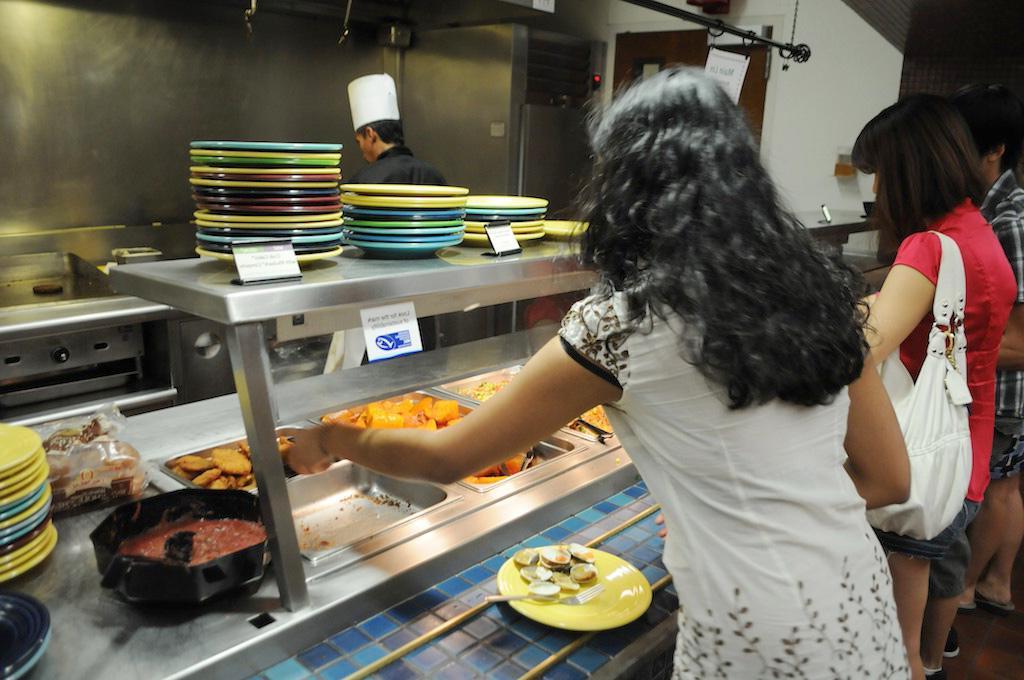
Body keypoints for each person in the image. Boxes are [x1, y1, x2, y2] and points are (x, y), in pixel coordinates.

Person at [290, 67, 912, 679]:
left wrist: (330, 439)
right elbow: (888, 479)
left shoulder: (624, 323)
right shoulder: (817, 295)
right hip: (860, 600)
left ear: (625, 185)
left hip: (753, 629)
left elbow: (448, 458)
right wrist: (735, 512)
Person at [853, 95, 1017, 680]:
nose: (874, 188)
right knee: (912, 613)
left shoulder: (928, 246)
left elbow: (861, 349)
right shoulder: (976, 231)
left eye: (878, 171)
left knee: (890, 644)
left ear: (904, 168)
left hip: (916, 455)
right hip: (962, 450)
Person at [950, 85, 1024, 623]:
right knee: (1007, 487)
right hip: (1000, 390)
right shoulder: (991, 209)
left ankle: (967, 589)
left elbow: (1020, 342)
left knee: (996, 492)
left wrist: (941, 345)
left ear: (994, 149)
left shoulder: (1009, 221)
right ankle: (995, 583)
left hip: (1006, 393)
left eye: (958, 144)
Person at [346, 73, 446, 185]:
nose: (362, 154)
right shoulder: (435, 176)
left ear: (370, 134)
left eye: (359, 142)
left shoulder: (362, 182)